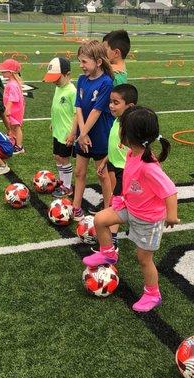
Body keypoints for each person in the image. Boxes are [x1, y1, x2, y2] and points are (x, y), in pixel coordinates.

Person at [83, 106, 180, 312]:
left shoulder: (149, 166)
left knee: (143, 259)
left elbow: (170, 191)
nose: (117, 129)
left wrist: (171, 215)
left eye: (120, 126)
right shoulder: (131, 153)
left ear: (129, 135)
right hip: (129, 206)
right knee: (100, 219)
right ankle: (108, 253)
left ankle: (153, 294)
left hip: (148, 219)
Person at [72, 40, 114, 221]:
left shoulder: (106, 82)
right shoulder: (81, 80)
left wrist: (83, 134)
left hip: (100, 136)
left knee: (102, 176)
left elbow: (97, 111)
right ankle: (75, 207)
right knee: (79, 173)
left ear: (98, 62)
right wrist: (81, 133)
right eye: (80, 61)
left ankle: (108, 210)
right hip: (84, 135)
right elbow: (79, 107)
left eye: (84, 62)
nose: (81, 66)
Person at [97, 84, 138, 250]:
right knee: (120, 200)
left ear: (130, 106)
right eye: (110, 102)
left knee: (118, 203)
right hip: (114, 165)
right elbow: (114, 145)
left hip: (126, 170)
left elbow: (138, 150)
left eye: (116, 102)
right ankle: (126, 225)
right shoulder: (116, 120)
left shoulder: (130, 127)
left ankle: (112, 238)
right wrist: (105, 160)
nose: (111, 106)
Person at [42, 57, 77, 198]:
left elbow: (76, 114)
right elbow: (56, 108)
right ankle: (62, 181)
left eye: (57, 78)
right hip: (58, 130)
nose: (54, 81)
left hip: (66, 132)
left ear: (67, 74)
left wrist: (72, 133)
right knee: (57, 156)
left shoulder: (72, 91)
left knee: (64, 158)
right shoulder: (59, 88)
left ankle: (67, 187)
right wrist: (53, 121)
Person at [0, 59, 25, 155]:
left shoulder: (12, 84)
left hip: (14, 110)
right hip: (14, 109)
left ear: (11, 72)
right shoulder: (12, 83)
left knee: (16, 127)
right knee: (13, 127)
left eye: (4, 71)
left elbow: (12, 99)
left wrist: (7, 109)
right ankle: (14, 142)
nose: (2, 73)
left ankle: (19, 147)